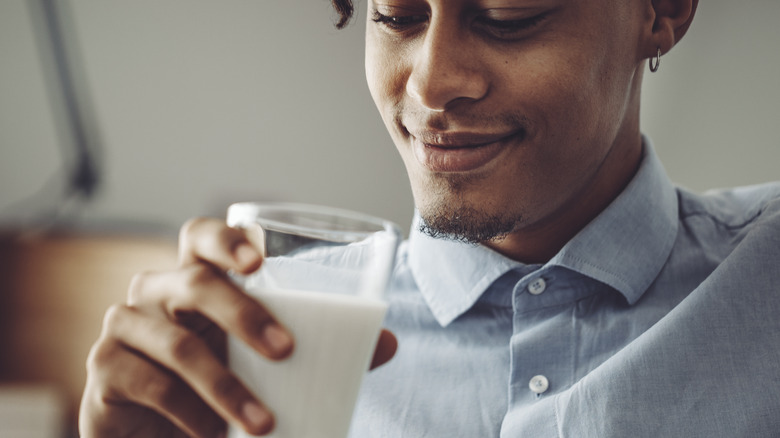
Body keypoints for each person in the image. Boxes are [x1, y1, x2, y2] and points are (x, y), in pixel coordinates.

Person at [79, 0, 780, 436]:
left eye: (510, 17)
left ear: (662, 10)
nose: (431, 82)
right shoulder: (254, 345)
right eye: (397, 15)